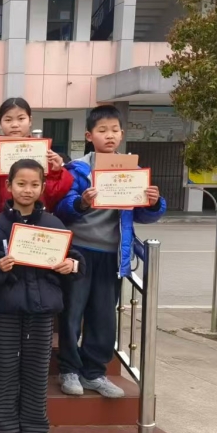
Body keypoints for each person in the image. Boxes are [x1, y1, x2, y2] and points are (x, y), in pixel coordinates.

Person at [55, 105, 165, 398]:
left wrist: (153, 203)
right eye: (102, 130)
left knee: (104, 315)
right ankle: (69, 370)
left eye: (114, 130)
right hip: (78, 252)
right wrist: (81, 202)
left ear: (122, 134)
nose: (109, 135)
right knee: (72, 312)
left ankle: (94, 373)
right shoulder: (77, 170)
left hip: (112, 254)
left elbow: (142, 215)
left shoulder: (133, 171)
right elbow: (61, 207)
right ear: (89, 136)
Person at [0, 159, 84, 433]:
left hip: (42, 307)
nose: (27, 190)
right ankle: (5, 425)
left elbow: (73, 256)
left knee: (37, 367)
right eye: (21, 184)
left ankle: (35, 426)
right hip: (5, 307)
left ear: (42, 187)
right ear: (8, 186)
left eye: (34, 184)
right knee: (5, 366)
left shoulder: (53, 223)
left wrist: (71, 265)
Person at [0, 99, 74, 388]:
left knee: (32, 297)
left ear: (30, 122)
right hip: (0, 230)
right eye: (8, 119)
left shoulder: (43, 154)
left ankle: (30, 367)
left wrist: (57, 171)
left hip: (36, 234)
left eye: (21, 118)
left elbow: (53, 194)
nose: (15, 124)